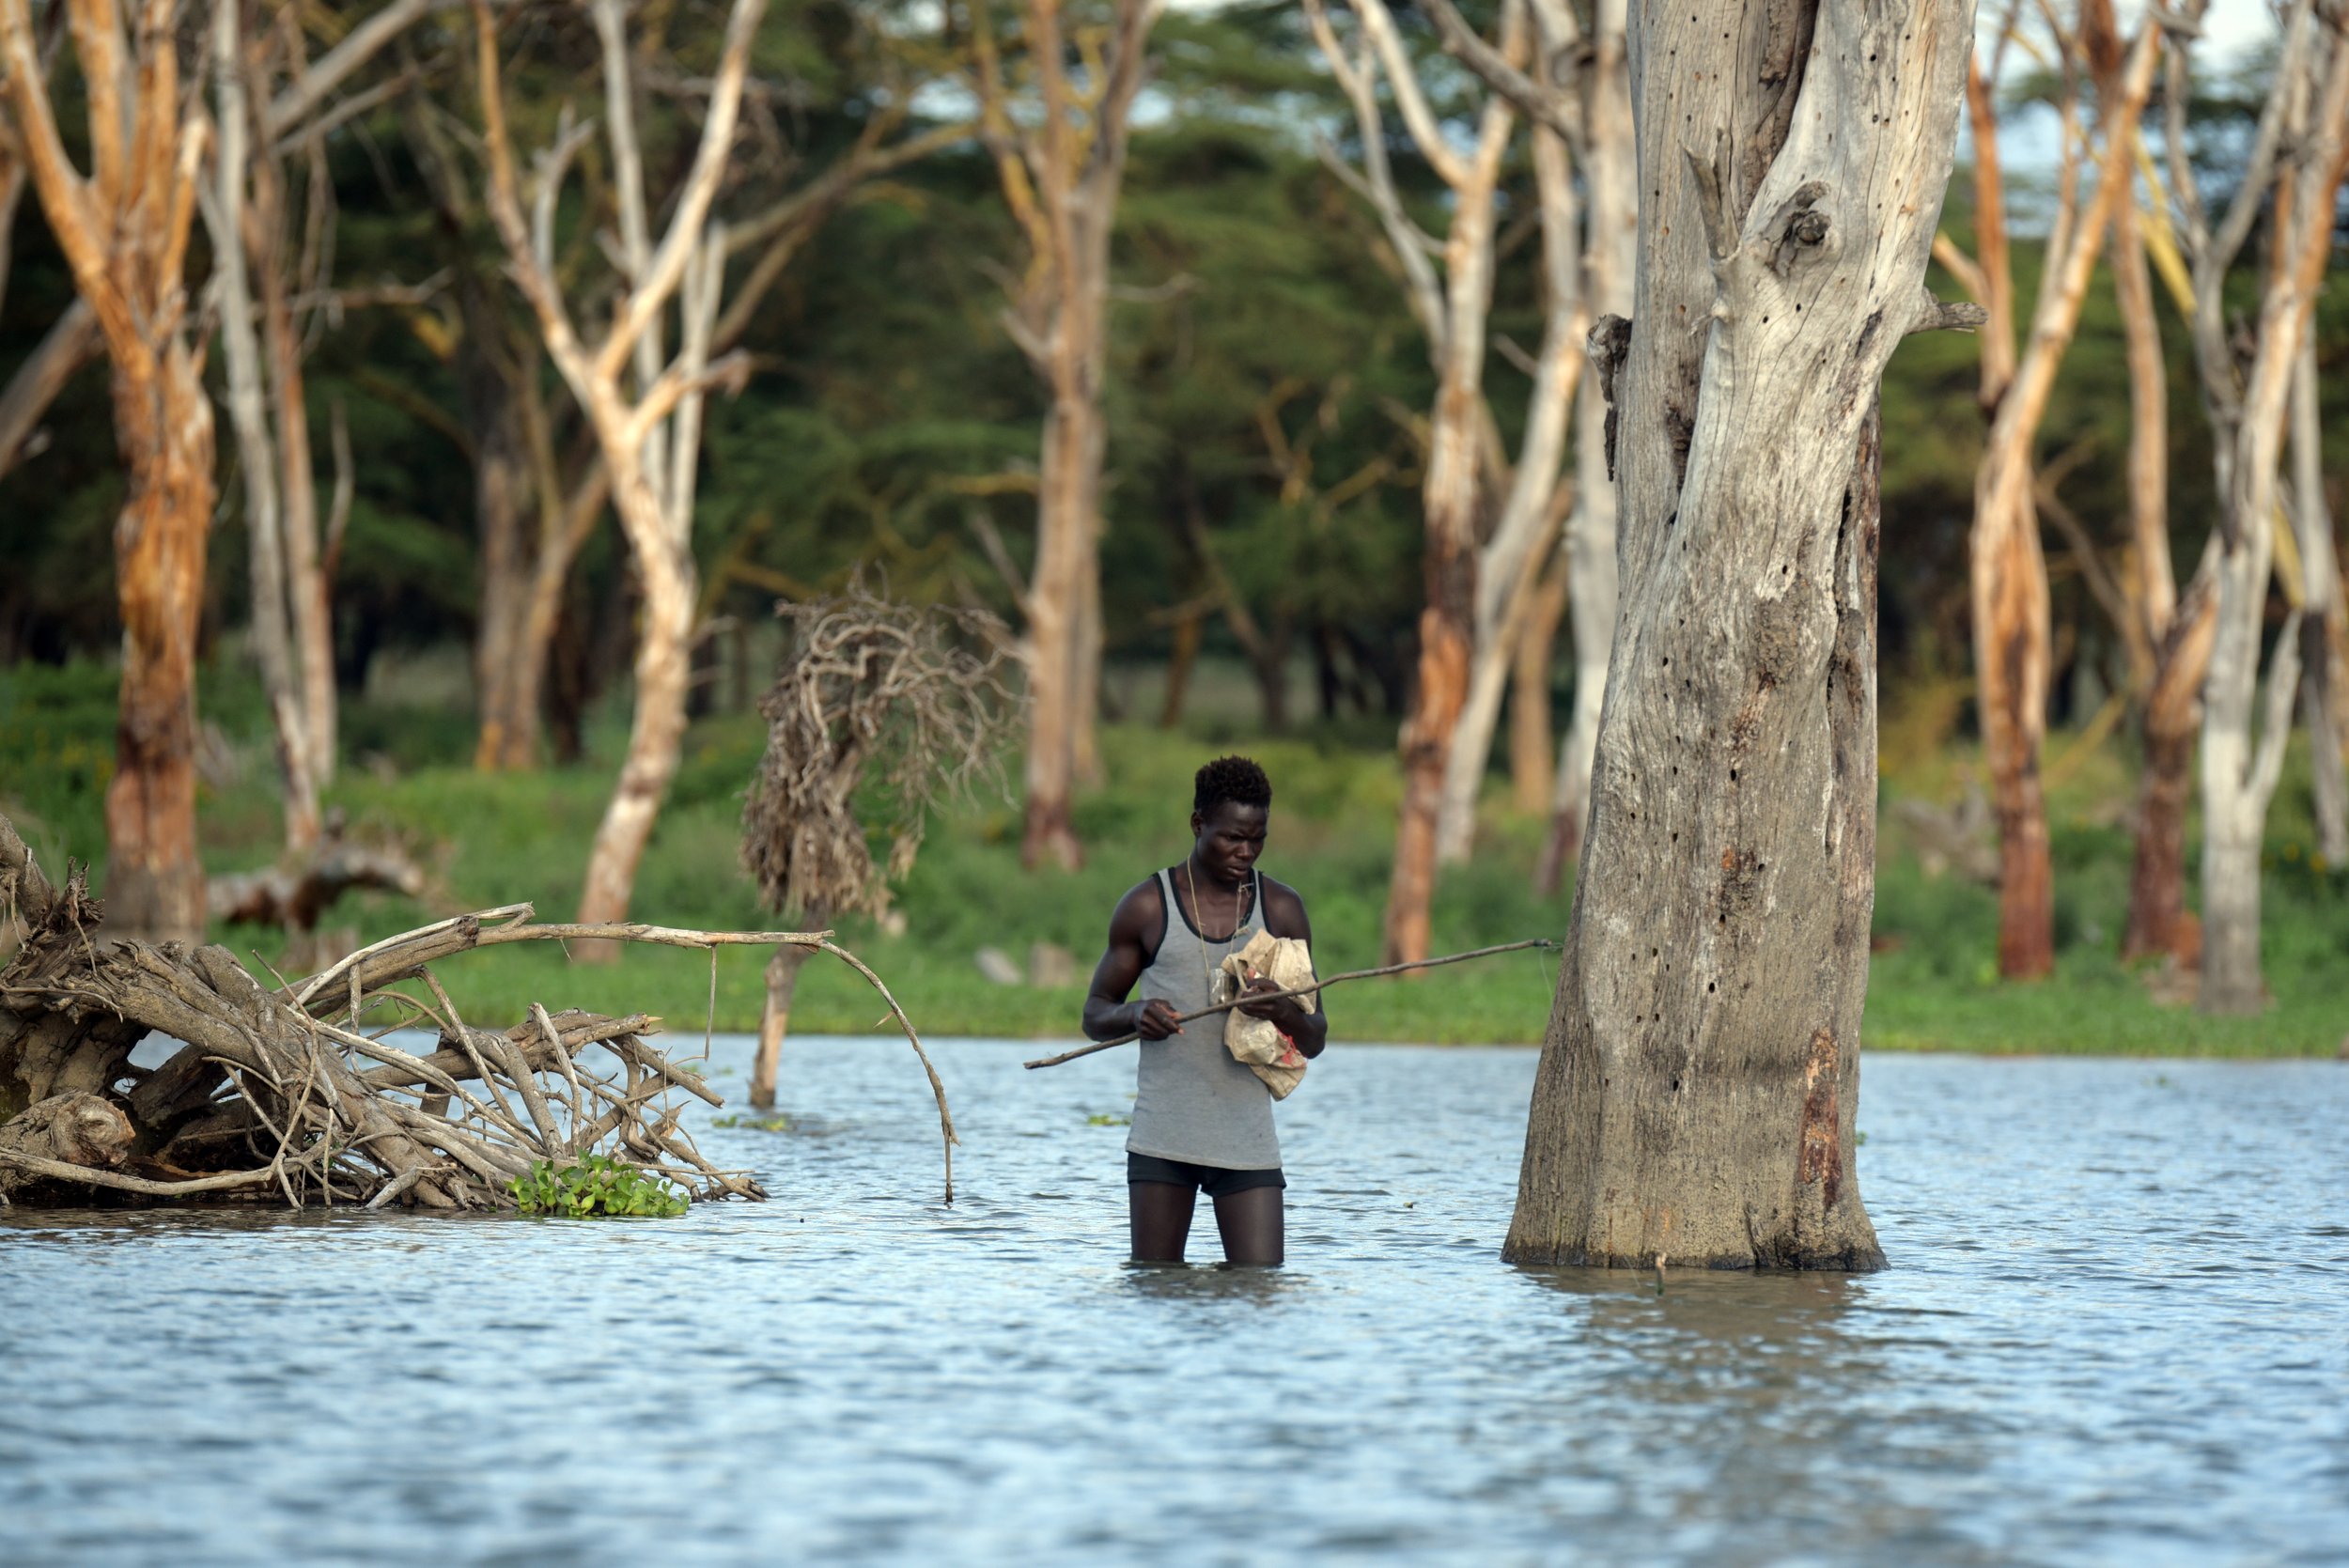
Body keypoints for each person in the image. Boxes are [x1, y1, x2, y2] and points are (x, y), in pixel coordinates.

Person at [1081, 755, 1328, 1265]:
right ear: (1198, 825)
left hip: (1247, 1140)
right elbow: (1094, 1014)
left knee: (1259, 1290)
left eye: (1256, 839)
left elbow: (1316, 1037)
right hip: (1162, 1140)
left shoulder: (1281, 909)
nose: (1245, 852)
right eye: (1231, 838)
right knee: (1155, 1288)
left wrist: (1282, 1009)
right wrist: (1135, 1015)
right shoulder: (1148, 906)